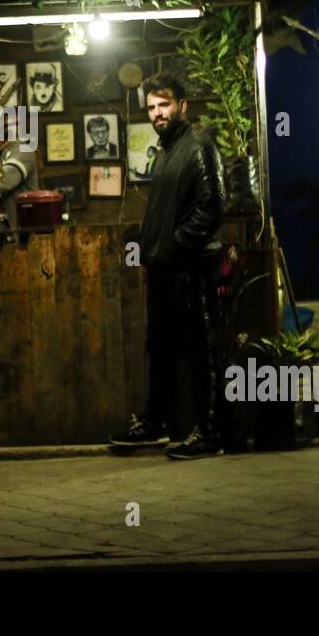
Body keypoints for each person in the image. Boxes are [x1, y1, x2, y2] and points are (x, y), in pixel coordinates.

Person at [109, 72, 227, 459]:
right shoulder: (165, 152)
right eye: (152, 108)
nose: (158, 113)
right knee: (159, 348)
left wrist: (175, 248)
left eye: (164, 105)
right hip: (164, 269)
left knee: (200, 351)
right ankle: (155, 424)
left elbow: (212, 207)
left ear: (182, 106)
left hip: (190, 268)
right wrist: (152, 250)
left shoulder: (198, 145)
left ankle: (209, 434)